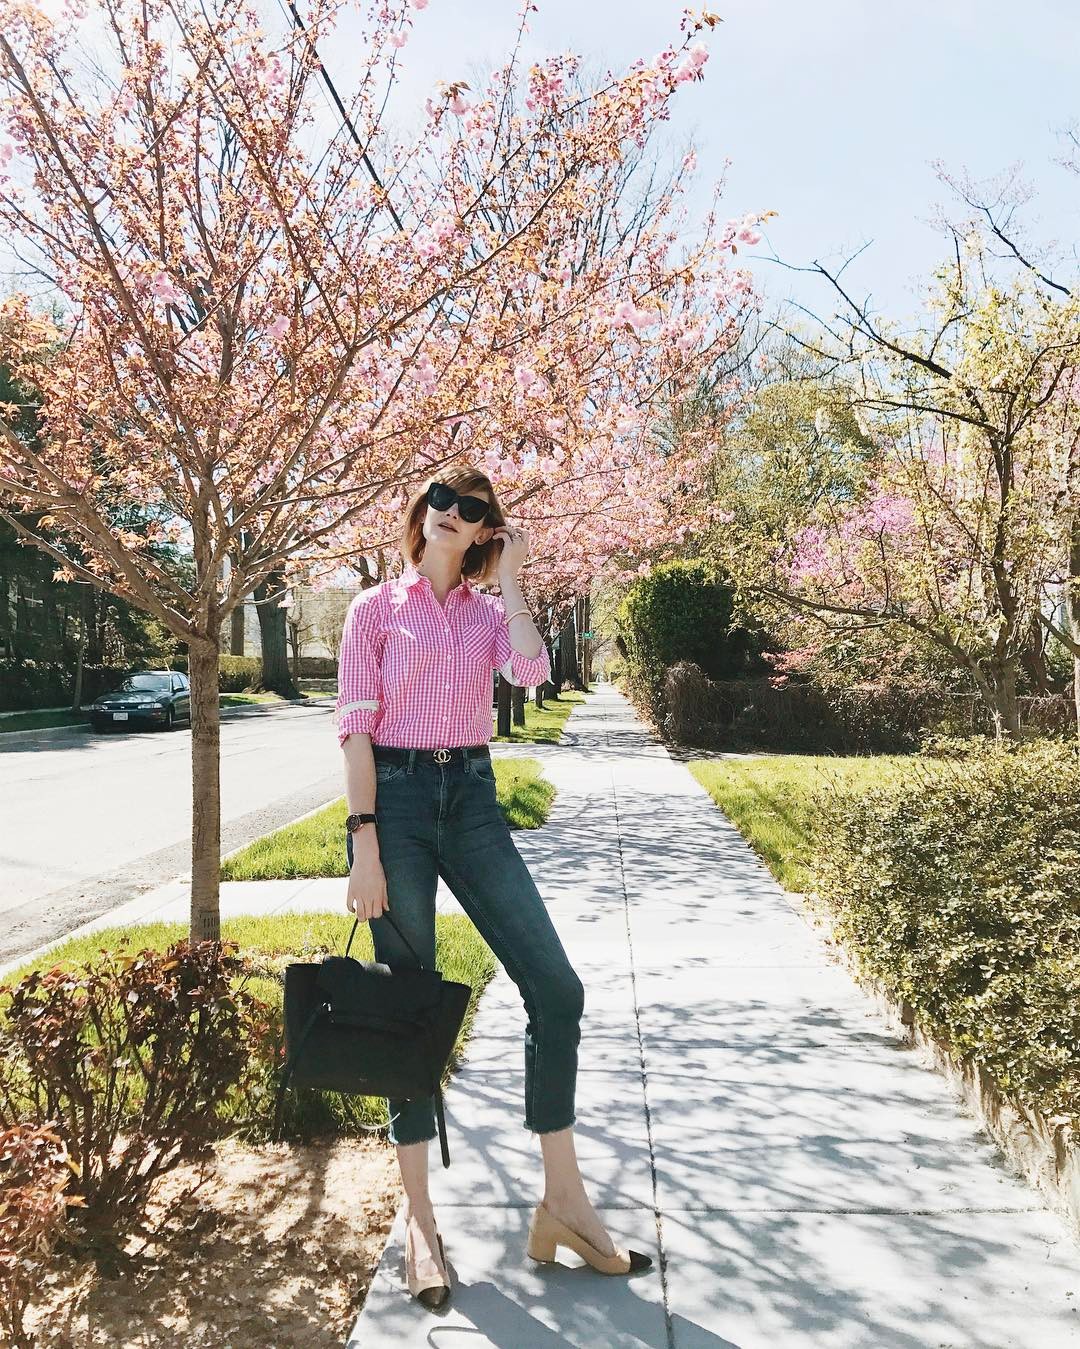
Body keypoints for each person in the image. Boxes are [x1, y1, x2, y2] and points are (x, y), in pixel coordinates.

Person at [336, 466, 652, 1311]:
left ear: (485, 531)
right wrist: (362, 841)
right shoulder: (374, 610)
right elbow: (356, 736)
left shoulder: (484, 615)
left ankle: (563, 1201)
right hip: (394, 805)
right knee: (409, 1006)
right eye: (442, 497)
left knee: (556, 987)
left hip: (471, 798)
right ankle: (420, 1222)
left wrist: (512, 578)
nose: (451, 513)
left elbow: (533, 669)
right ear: (421, 508)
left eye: (472, 510)